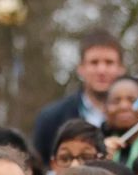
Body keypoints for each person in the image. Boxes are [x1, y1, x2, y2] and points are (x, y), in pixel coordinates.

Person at [32, 29, 126, 161]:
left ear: (121, 68)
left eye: (109, 63)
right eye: (94, 62)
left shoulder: (136, 118)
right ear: (80, 68)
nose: (101, 70)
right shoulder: (52, 118)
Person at [102, 76, 138, 166]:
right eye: (116, 101)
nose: (124, 106)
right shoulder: (93, 144)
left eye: (132, 100)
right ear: (105, 108)